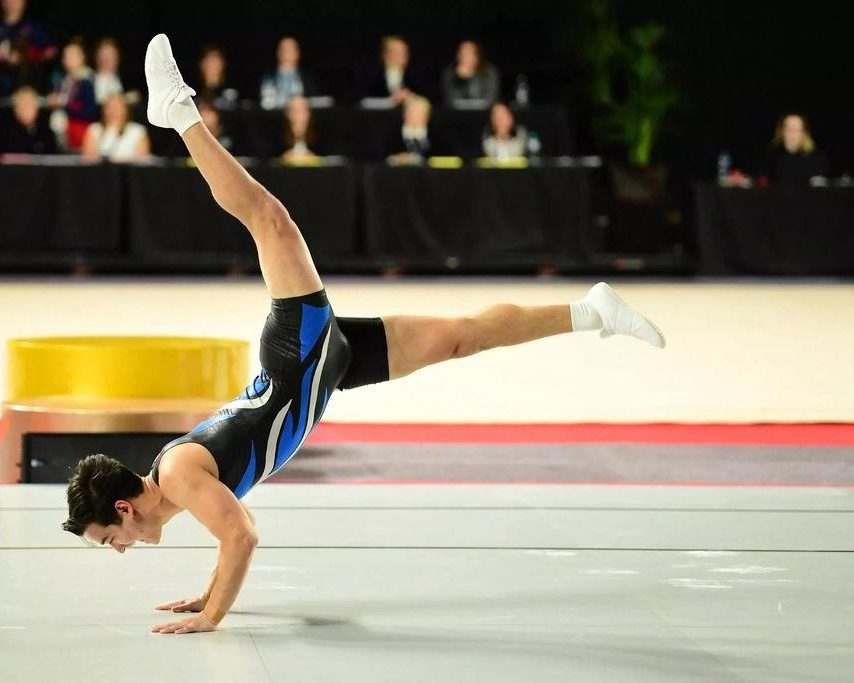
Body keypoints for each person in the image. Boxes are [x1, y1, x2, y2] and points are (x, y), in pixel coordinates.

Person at [61, 33, 667, 636]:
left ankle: (179, 113)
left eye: (108, 538)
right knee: (461, 337)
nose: (119, 548)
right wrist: (210, 592)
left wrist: (213, 615)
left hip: (300, 355)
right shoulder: (175, 486)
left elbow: (241, 536)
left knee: (268, 218)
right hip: (327, 367)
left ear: (123, 508)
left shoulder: (176, 477)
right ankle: (591, 311)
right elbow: (231, 533)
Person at [48, 38, 99, 151]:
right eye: (66, 56)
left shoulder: (87, 81)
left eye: (72, 56)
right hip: (64, 130)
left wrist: (64, 107)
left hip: (81, 128)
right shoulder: (61, 80)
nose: (68, 59)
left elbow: (91, 111)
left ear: (82, 58)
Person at [81, 93, 150, 161]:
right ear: (104, 109)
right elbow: (88, 158)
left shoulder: (138, 131)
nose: (114, 109)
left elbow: (142, 160)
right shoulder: (94, 129)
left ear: (125, 109)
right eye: (110, 106)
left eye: (117, 106)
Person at [361, 35, 427, 106]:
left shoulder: (415, 75)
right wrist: (389, 101)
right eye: (396, 52)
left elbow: (429, 99)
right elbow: (361, 101)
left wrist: (411, 98)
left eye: (404, 52)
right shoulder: (372, 74)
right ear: (385, 55)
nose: (402, 56)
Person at [763, 113, 827, 185]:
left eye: (796, 129)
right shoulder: (771, 157)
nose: (792, 134)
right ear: (781, 131)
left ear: (803, 133)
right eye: (788, 129)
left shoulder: (816, 159)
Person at [0, 86, 57, 156]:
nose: (25, 110)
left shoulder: (46, 133)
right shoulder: (4, 136)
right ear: (15, 110)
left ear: (36, 108)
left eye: (28, 105)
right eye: (21, 106)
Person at [259, 37, 317, 110]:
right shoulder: (267, 77)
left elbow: (314, 102)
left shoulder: (308, 78)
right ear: (278, 53)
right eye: (283, 50)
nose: (286, 53)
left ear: (297, 53)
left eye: (290, 49)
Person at [441, 40, 500, 107]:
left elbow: (491, 98)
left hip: (484, 113)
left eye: (469, 53)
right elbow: (452, 100)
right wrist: (461, 79)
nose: (465, 56)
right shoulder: (450, 73)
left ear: (477, 56)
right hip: (458, 114)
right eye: (462, 53)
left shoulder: (489, 72)